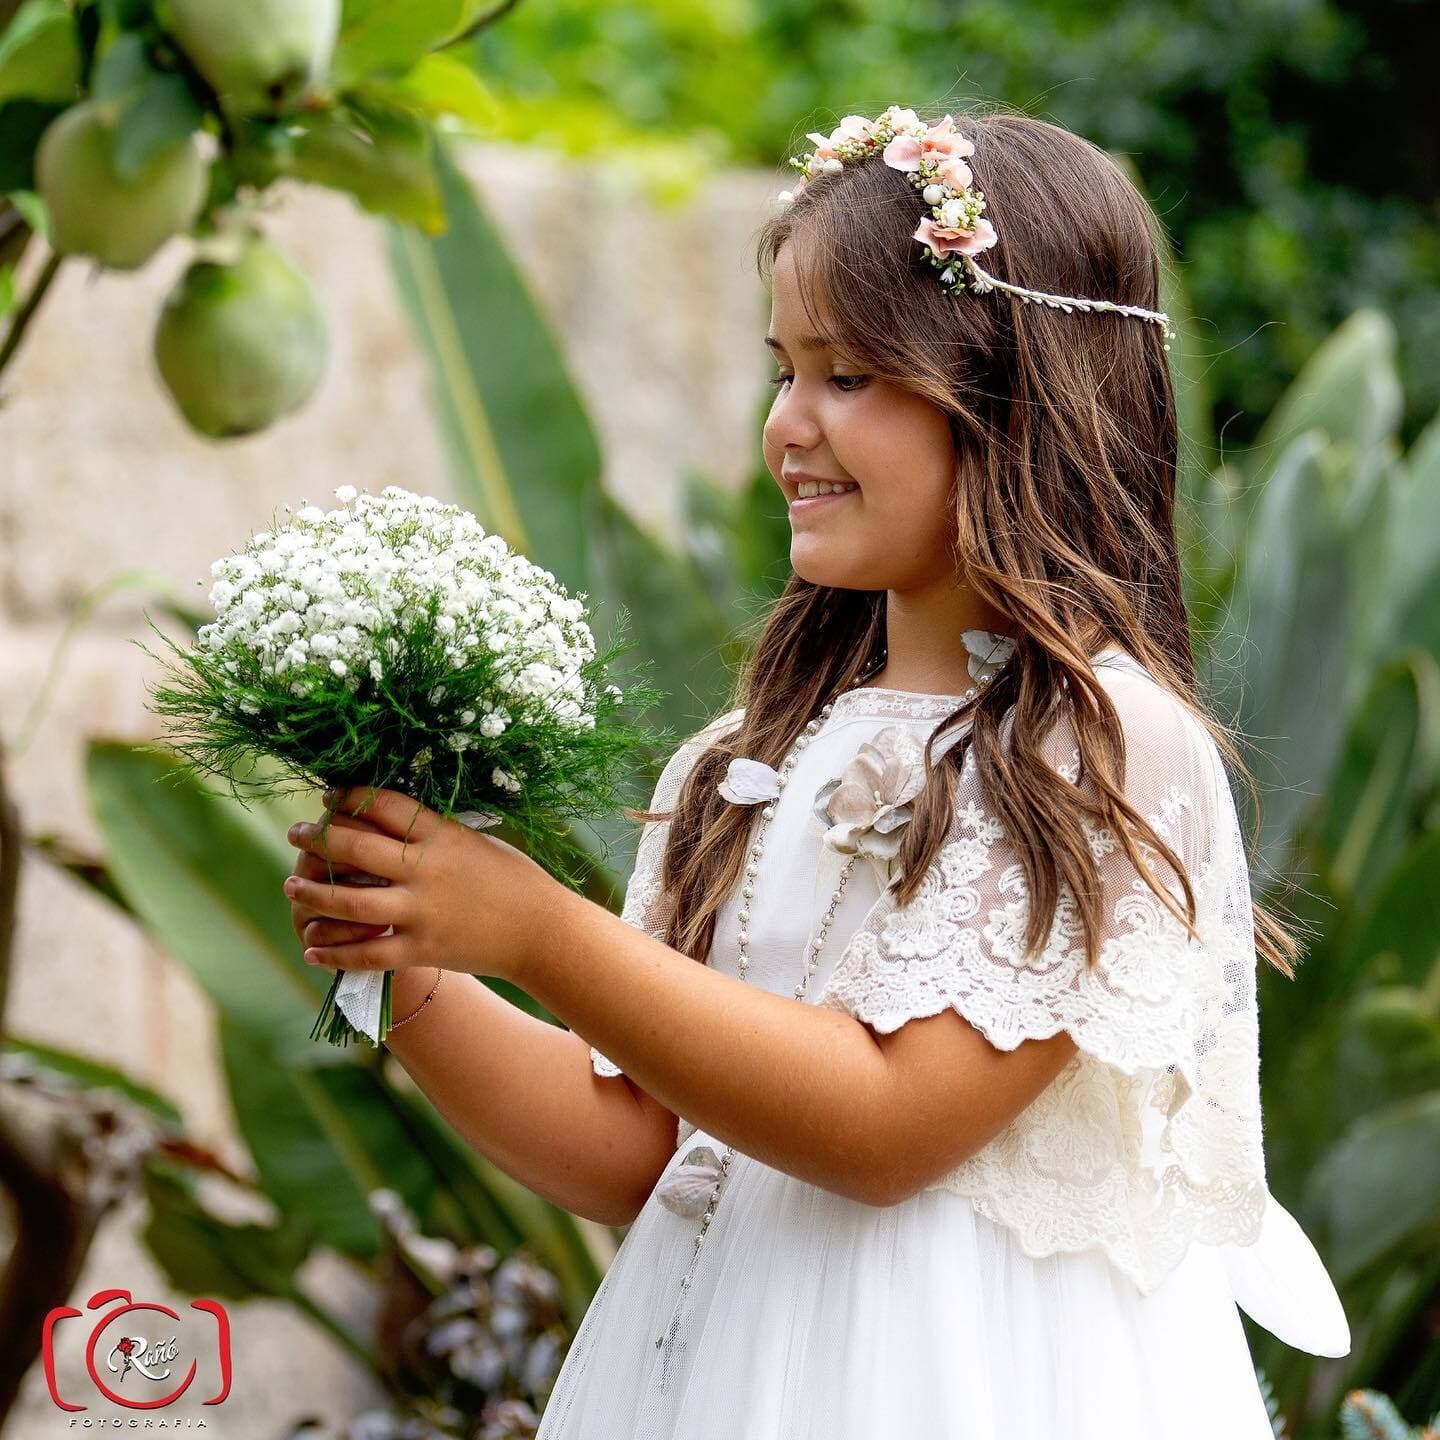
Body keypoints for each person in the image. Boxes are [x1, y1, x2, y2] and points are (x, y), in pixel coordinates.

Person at [283, 104, 1352, 1438]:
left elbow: (889, 1127)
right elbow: (647, 1146)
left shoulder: (1098, 746)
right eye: (782, 371)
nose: (787, 424)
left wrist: (539, 931)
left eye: (848, 376)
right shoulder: (751, 756)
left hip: (965, 1389)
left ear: (1017, 395)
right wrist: (422, 968)